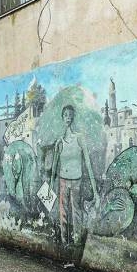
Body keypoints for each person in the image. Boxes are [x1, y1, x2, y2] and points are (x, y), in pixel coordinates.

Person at [49, 105, 99, 245]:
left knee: (76, 211)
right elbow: (54, 165)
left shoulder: (79, 138)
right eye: (65, 115)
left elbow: (88, 163)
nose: (68, 117)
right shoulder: (60, 141)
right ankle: (65, 240)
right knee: (63, 212)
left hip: (76, 180)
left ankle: (77, 239)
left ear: (73, 117)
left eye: (70, 114)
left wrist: (95, 191)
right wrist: (50, 186)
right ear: (62, 117)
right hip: (63, 180)